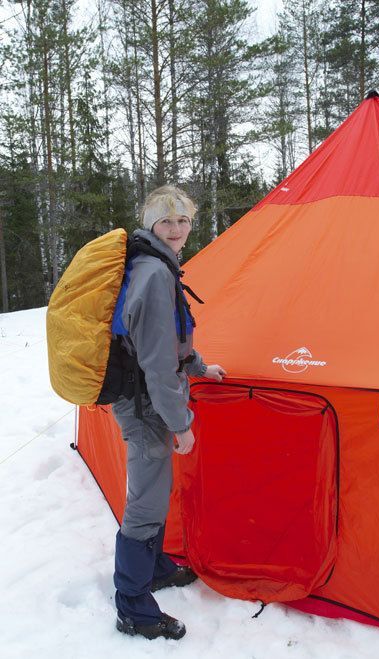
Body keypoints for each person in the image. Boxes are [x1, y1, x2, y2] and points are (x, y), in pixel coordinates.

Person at [112, 185, 227, 641]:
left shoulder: (153, 263)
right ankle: (133, 605)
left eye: (182, 220)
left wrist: (200, 365)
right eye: (166, 220)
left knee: (154, 492)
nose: (176, 228)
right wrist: (180, 424)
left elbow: (167, 339)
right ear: (151, 223)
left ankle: (155, 567)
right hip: (146, 405)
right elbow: (157, 362)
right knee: (145, 501)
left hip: (146, 396)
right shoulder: (156, 273)